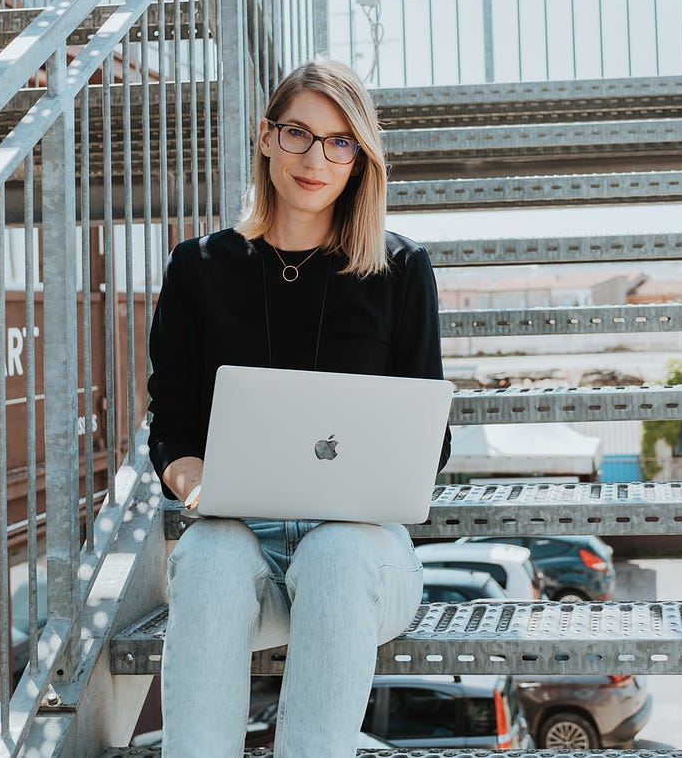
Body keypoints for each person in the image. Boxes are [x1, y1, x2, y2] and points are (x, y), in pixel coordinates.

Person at [145, 58, 452, 758]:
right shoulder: (200, 269)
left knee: (339, 553)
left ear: (359, 159)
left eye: (339, 141)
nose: (315, 158)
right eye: (298, 134)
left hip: (362, 559)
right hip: (239, 546)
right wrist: (197, 486)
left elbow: (426, 441)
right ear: (264, 137)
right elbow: (173, 423)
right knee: (212, 557)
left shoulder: (401, 271)